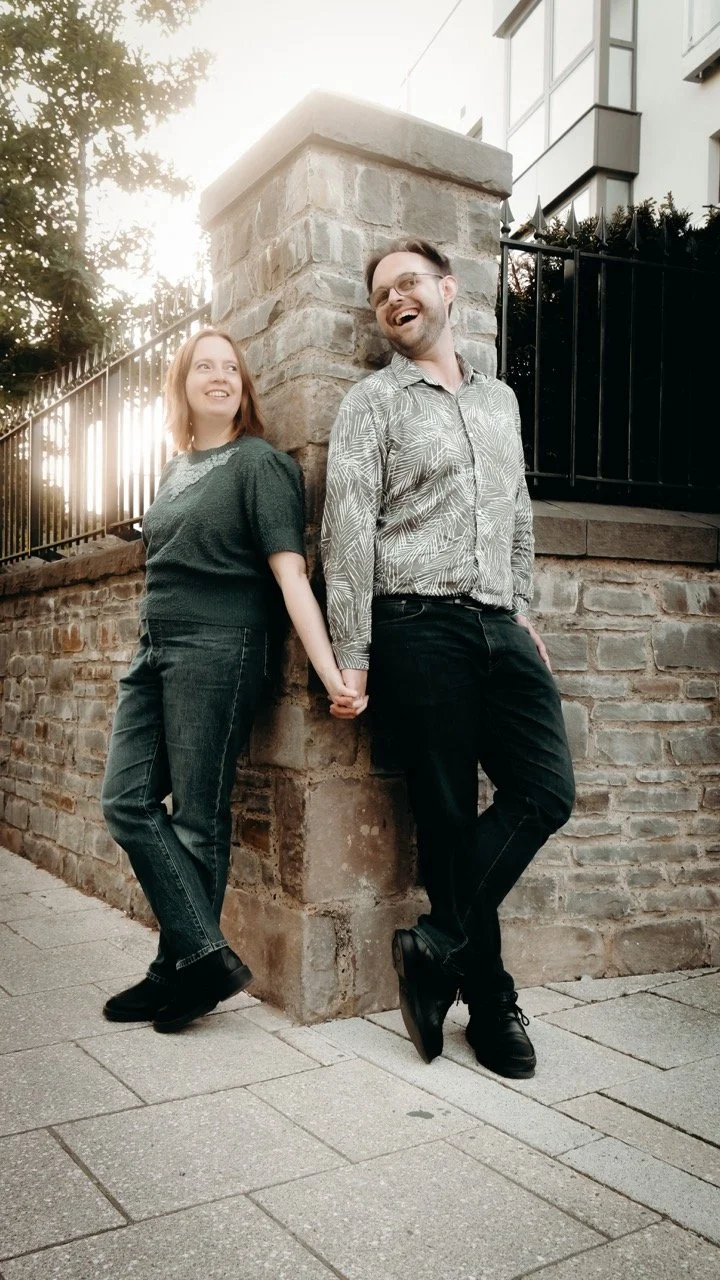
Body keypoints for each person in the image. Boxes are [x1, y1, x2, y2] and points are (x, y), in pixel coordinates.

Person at [321, 240, 575, 1079]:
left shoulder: (500, 400)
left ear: (446, 290)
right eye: (380, 294)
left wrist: (524, 609)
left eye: (407, 283)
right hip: (415, 624)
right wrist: (352, 654)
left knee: (545, 790)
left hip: (500, 622)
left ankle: (435, 943)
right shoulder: (373, 403)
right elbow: (348, 532)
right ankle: (491, 999)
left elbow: (519, 515)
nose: (394, 299)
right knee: (446, 813)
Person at [101, 327, 366, 1034]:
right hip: (153, 647)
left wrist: (333, 668)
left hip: (221, 647)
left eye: (230, 368)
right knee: (125, 802)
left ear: (243, 386)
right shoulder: (175, 466)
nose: (220, 376)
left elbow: (291, 575)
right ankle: (202, 959)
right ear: (183, 384)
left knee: (197, 816)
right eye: (204, 367)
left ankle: (178, 975)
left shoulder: (259, 466)